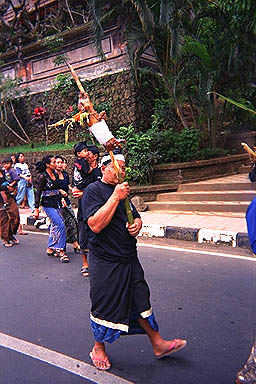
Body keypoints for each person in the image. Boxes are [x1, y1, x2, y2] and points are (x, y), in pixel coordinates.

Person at [82, 151, 187, 371]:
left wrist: (137, 223)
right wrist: (115, 197)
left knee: (140, 299)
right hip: (106, 260)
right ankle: (98, 347)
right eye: (115, 167)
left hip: (128, 257)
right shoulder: (93, 191)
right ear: (103, 169)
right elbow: (95, 225)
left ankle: (158, 343)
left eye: (123, 167)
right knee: (105, 303)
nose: (121, 171)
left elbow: (134, 215)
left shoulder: (123, 192)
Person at [72, 143, 101, 277]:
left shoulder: (102, 170)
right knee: (83, 231)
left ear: (95, 156)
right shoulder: (79, 167)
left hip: (99, 206)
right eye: (84, 152)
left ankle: (100, 262)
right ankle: (85, 263)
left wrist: (86, 192)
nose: (86, 155)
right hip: (84, 207)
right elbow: (76, 186)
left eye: (88, 153)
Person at [33, 155, 69, 262]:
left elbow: (57, 188)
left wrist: (61, 195)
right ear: (47, 165)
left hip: (57, 202)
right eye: (53, 162)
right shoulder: (43, 177)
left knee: (54, 224)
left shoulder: (55, 174)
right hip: (47, 204)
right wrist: (36, 208)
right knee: (61, 224)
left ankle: (50, 247)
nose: (55, 164)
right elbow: (38, 193)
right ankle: (61, 250)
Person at [55, 155, 80, 253]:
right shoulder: (53, 175)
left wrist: (73, 189)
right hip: (57, 202)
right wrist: (60, 193)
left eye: (61, 162)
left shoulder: (65, 174)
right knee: (61, 225)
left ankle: (75, 243)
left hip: (66, 201)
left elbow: (67, 185)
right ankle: (57, 246)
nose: (60, 165)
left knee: (73, 221)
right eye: (58, 162)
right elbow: (51, 188)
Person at [0, 161, 20, 247]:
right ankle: (5, 239)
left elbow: (13, 180)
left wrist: (12, 189)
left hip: (10, 197)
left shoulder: (6, 172)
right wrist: (6, 188)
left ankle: (11, 235)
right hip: (0, 200)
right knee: (4, 219)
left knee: (15, 216)